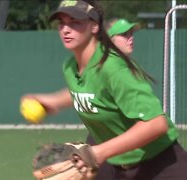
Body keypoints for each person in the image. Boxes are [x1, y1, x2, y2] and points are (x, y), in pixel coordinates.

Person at [21, 0, 187, 179]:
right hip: (117, 166)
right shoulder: (70, 67)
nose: (66, 29)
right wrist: (54, 101)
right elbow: (94, 90)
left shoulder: (113, 68)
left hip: (160, 165)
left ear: (94, 27)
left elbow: (156, 123)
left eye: (75, 22)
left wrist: (98, 152)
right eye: (62, 23)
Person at [85, 18, 142, 180]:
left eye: (131, 33)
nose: (131, 38)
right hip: (106, 142)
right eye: (124, 34)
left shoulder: (128, 67)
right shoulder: (102, 68)